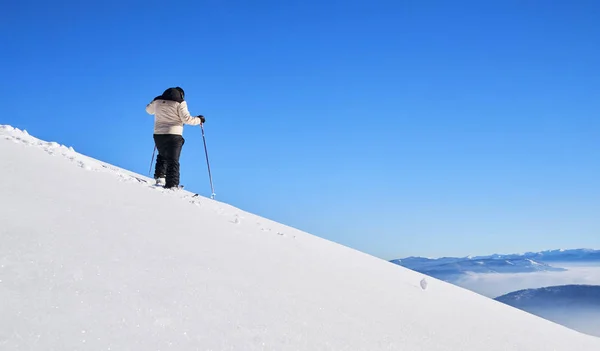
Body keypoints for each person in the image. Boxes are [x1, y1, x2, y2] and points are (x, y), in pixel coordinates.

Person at [145, 87, 205, 189]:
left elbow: (148, 110)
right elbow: (186, 119)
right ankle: (172, 184)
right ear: (181, 94)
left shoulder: (157, 101)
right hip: (174, 134)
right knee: (173, 160)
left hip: (158, 134)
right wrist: (199, 120)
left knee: (162, 155)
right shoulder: (180, 102)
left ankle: (160, 177)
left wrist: (157, 103)